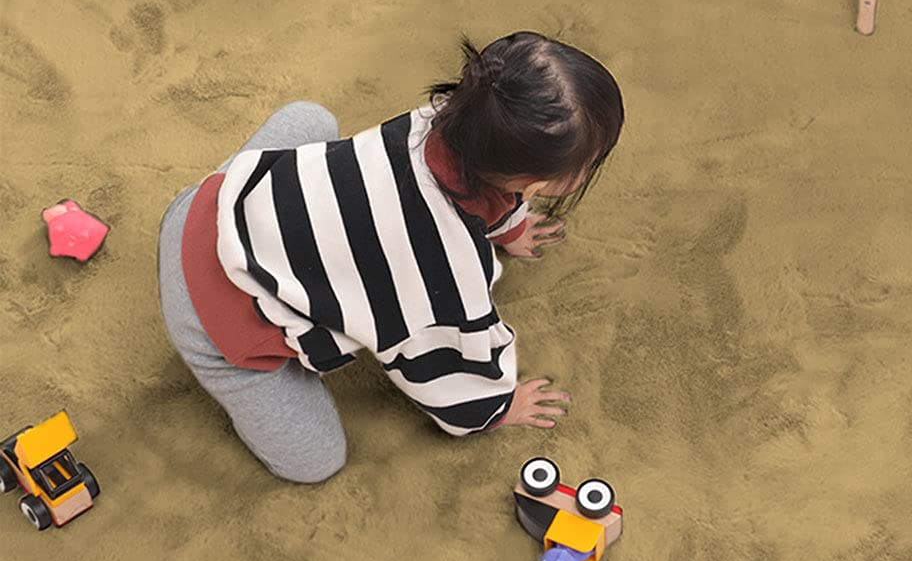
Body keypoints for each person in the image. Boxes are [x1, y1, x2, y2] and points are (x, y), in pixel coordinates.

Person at [157, 30, 625, 483]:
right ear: (539, 185)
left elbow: (493, 190)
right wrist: (494, 408)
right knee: (317, 461)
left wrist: (510, 227)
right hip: (217, 319)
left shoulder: (442, 122)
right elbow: (438, 362)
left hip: (212, 205)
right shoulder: (441, 268)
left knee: (309, 118)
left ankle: (201, 219)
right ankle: (218, 361)